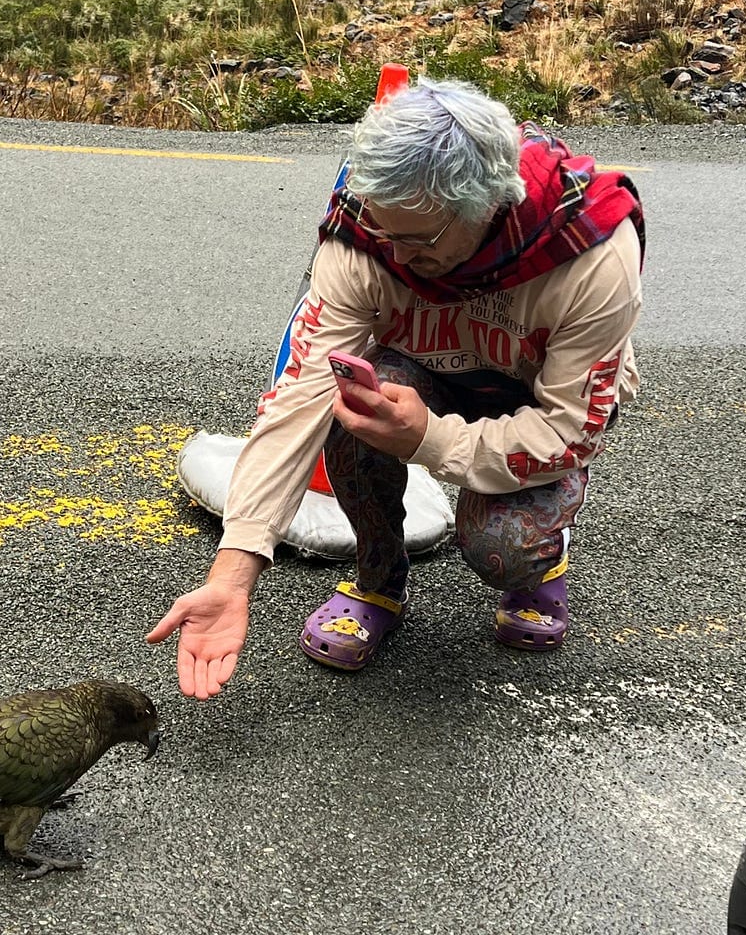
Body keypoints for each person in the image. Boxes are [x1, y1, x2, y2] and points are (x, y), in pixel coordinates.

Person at [147, 76, 644, 700]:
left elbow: (570, 428)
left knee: (502, 549)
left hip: (532, 401)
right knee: (346, 411)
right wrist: (233, 573)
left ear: (487, 206)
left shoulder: (592, 246)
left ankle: (539, 567)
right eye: (384, 232)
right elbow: (297, 395)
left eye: (417, 239)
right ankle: (377, 578)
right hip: (421, 369)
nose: (394, 258)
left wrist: (431, 439)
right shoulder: (364, 228)